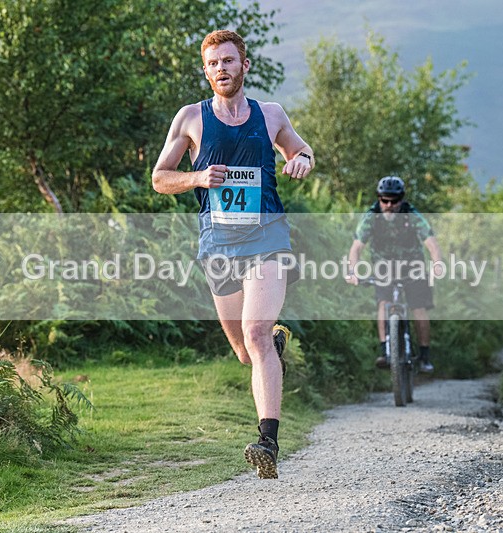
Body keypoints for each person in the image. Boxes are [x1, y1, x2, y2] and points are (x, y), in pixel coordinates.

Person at [151, 29, 314, 479]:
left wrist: (302, 159)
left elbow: (301, 149)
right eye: (212, 64)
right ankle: (273, 347)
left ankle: (268, 442)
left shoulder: (271, 114)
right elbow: (160, 178)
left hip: (267, 238)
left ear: (244, 65)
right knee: (245, 351)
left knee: (255, 332)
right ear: (206, 72)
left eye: (227, 60)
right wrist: (197, 178)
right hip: (218, 244)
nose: (220, 69)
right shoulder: (191, 118)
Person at [345, 176, 442, 373]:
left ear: (401, 199)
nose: (389, 205)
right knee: (383, 303)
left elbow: (431, 243)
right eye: (385, 200)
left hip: (412, 265)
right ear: (379, 198)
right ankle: (386, 351)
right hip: (383, 267)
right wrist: (352, 271)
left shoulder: (411, 215)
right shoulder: (371, 217)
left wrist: (437, 263)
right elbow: (356, 248)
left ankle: (424, 356)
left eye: (394, 201)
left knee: (419, 308)